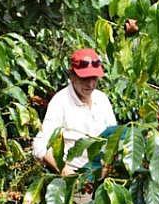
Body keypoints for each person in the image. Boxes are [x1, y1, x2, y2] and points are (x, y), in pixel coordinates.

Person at [32, 48, 117, 176]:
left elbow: (114, 137)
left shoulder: (102, 99)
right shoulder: (60, 102)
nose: (91, 84)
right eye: (85, 79)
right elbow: (40, 145)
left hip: (104, 176)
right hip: (77, 177)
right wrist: (66, 172)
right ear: (72, 76)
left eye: (94, 78)